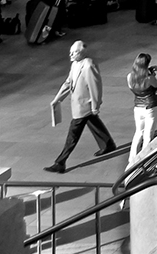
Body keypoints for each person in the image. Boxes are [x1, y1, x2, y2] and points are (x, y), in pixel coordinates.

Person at [44, 41, 115, 172]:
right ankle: (108, 144)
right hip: (78, 104)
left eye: (74, 52)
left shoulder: (88, 65)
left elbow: (95, 86)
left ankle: (60, 162)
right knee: (93, 122)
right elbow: (68, 83)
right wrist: (57, 99)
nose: (71, 54)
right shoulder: (75, 64)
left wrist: (95, 105)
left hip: (84, 105)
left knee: (73, 134)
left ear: (81, 53)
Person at [126, 52, 157, 163]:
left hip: (137, 107)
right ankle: (144, 159)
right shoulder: (148, 78)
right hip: (151, 106)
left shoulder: (130, 77)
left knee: (138, 132)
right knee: (148, 134)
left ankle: (132, 158)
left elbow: (134, 88)